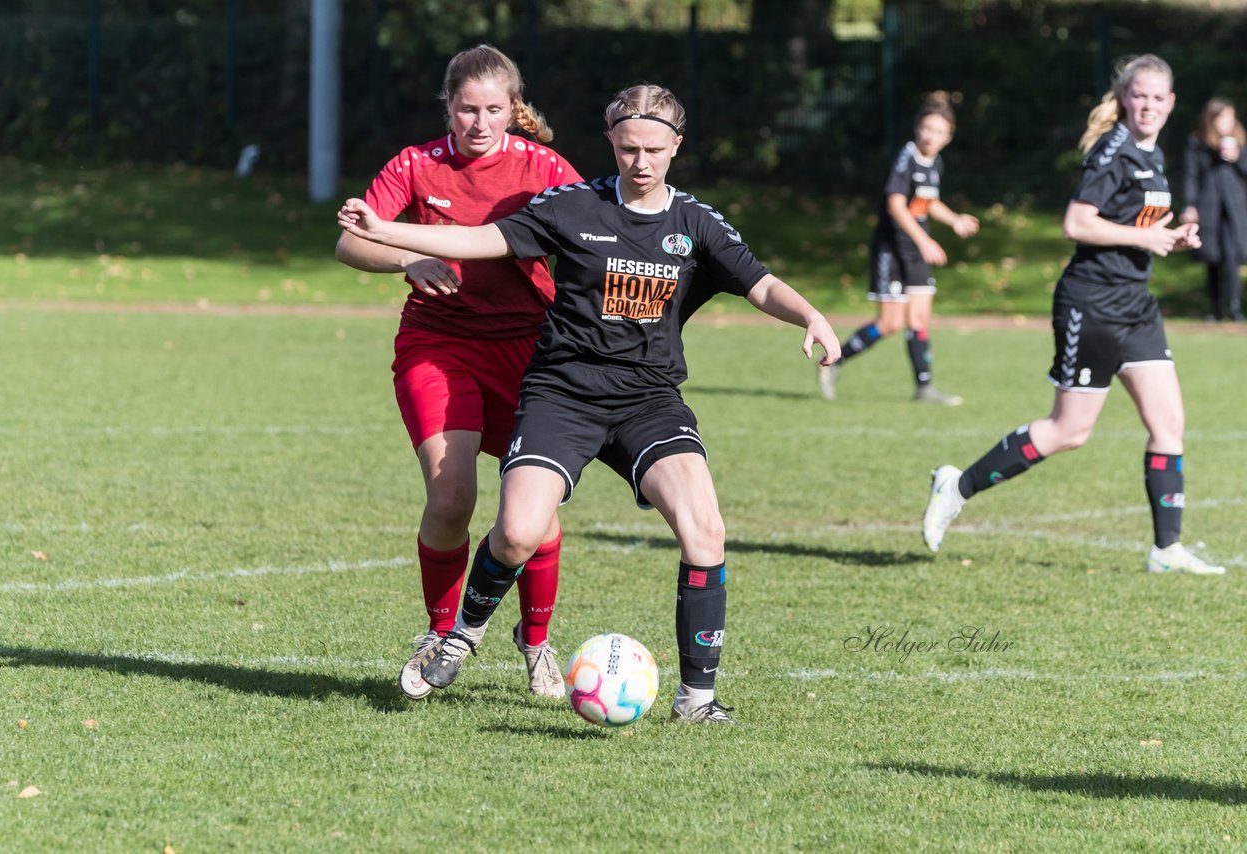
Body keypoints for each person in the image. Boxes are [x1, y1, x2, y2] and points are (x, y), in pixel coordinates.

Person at [339, 83, 841, 724]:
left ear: (675, 147)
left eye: (654, 149)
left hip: (648, 401)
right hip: (563, 395)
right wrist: (390, 234)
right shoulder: (571, 206)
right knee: (518, 533)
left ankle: (697, 699)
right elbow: (483, 239)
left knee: (704, 529)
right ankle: (463, 634)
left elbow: (760, 282)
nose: (641, 162)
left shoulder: (695, 223)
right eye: (628, 148)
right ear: (611, 142)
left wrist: (811, 316)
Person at [334, 45, 585, 700]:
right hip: (437, 345)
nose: (479, 122)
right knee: (451, 497)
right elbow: (352, 240)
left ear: (513, 109)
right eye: (467, 108)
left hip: (530, 350)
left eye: (494, 109)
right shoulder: (417, 164)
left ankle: (535, 643)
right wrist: (405, 260)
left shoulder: (544, 168)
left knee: (533, 512)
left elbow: (594, 236)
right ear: (448, 106)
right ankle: (440, 635)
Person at [921, 54, 1225, 576]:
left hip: (1136, 305)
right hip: (1093, 303)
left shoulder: (1152, 154)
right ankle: (958, 485)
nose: (1148, 105)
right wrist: (1146, 237)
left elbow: (1137, 221)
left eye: (1158, 97)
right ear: (1125, 99)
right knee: (1069, 430)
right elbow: (1077, 223)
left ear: (1171, 104)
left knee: (1169, 422)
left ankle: (1165, 549)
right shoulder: (1113, 150)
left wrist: (1173, 233)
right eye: (1140, 96)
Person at [817, 94, 979, 405]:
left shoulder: (935, 163)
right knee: (890, 323)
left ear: (948, 137)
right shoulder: (907, 158)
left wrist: (954, 219)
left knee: (919, 319)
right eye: (926, 128)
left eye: (938, 131)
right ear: (918, 127)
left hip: (917, 250)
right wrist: (924, 240)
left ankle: (924, 386)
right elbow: (895, 205)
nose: (929, 136)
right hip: (892, 249)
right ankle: (835, 361)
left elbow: (927, 202)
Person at [1180, 97, 1247, 322]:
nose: (1228, 122)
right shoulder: (1197, 143)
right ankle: (1215, 308)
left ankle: (1235, 307)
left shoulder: (1239, 143)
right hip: (1209, 208)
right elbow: (1191, 177)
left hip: (1235, 209)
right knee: (1212, 258)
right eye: (1222, 117)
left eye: (1230, 117)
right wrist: (1190, 204)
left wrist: (1237, 158)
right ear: (1212, 120)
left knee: (1232, 258)